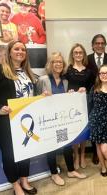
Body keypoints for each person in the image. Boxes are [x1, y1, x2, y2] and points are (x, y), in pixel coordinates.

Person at [0, 41, 37, 195]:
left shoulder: (28, 73)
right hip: (4, 121)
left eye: (23, 49)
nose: (20, 51)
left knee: (25, 150)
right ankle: (15, 184)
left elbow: (30, 95)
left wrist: (42, 97)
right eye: (16, 48)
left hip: (24, 120)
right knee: (10, 153)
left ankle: (24, 179)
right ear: (9, 52)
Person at [36, 52, 86, 186]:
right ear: (50, 64)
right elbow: (34, 101)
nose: (58, 64)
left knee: (67, 145)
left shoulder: (65, 81)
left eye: (60, 62)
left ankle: (71, 170)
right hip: (48, 122)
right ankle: (54, 174)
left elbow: (67, 101)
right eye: (55, 62)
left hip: (61, 120)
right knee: (51, 147)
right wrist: (42, 96)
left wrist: (74, 94)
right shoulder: (43, 80)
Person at [65, 43, 96, 169]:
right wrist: (68, 91)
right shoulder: (67, 70)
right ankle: (76, 155)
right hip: (71, 107)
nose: (78, 54)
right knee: (74, 131)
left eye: (80, 52)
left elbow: (94, 88)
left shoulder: (89, 72)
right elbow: (61, 85)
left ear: (83, 55)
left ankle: (82, 154)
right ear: (72, 55)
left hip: (85, 106)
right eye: (76, 52)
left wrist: (87, 90)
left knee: (83, 131)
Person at [87, 34, 107, 164]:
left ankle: (105, 152)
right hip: (92, 98)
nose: (99, 45)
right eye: (97, 43)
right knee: (94, 127)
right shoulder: (86, 59)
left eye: (102, 43)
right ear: (93, 45)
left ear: (105, 45)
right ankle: (95, 153)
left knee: (105, 127)